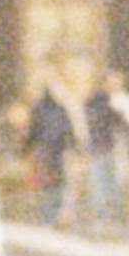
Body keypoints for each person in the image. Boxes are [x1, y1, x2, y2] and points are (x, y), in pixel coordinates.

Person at [23, 75, 78, 227]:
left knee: (48, 185)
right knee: (59, 185)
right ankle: (54, 215)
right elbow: (71, 130)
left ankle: (49, 217)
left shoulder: (38, 108)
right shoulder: (63, 107)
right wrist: (75, 146)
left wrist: (26, 148)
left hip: (45, 151)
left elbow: (31, 130)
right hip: (58, 151)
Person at [83, 73, 129, 227]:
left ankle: (101, 215)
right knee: (114, 181)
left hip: (96, 147)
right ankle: (114, 214)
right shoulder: (111, 106)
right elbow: (124, 123)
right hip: (111, 147)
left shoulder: (90, 105)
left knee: (99, 183)